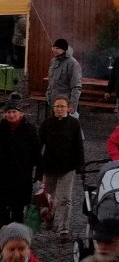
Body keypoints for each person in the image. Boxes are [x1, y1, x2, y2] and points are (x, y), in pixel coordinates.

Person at [37, 95, 84, 241]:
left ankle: (63, 229)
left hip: (67, 167)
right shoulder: (46, 123)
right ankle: (49, 217)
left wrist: (80, 165)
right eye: (57, 106)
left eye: (62, 106)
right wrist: (38, 168)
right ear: (53, 108)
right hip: (49, 166)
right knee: (46, 198)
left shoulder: (74, 123)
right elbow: (39, 146)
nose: (59, 109)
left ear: (68, 108)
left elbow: (78, 146)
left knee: (65, 199)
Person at [0, 95, 40, 227]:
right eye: (9, 112)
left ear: (21, 113)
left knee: (18, 210)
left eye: (14, 112)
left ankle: (17, 237)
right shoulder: (1, 128)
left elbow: (36, 153)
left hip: (22, 177)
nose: (11, 115)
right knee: (2, 210)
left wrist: (39, 174)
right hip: (3, 177)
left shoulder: (30, 130)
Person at [46, 38, 82, 116]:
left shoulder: (72, 63)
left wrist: (72, 104)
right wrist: (48, 96)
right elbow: (51, 82)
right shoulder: (53, 61)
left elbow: (76, 86)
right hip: (54, 102)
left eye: (57, 48)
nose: (54, 50)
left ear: (64, 49)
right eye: (53, 48)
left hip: (65, 104)